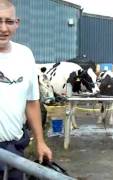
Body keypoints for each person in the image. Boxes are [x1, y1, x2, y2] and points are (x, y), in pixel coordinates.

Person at [0, 1, 52, 179]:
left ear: (17, 23)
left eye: (9, 21)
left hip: (14, 148)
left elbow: (31, 102)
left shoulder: (25, 55)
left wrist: (40, 142)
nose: (3, 28)